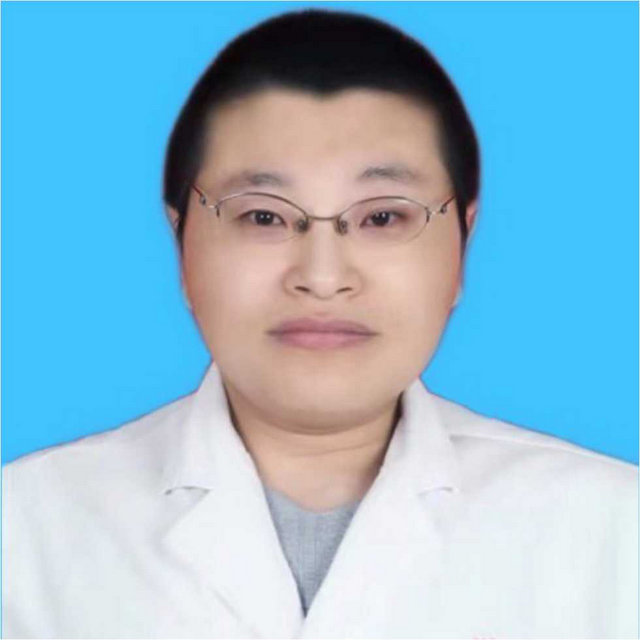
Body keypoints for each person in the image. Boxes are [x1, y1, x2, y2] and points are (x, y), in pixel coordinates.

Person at [2, 8, 637, 639]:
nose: (323, 277)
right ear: (182, 243)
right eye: (263, 217)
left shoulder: (611, 530)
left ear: (462, 244)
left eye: (383, 217)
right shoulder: (26, 530)